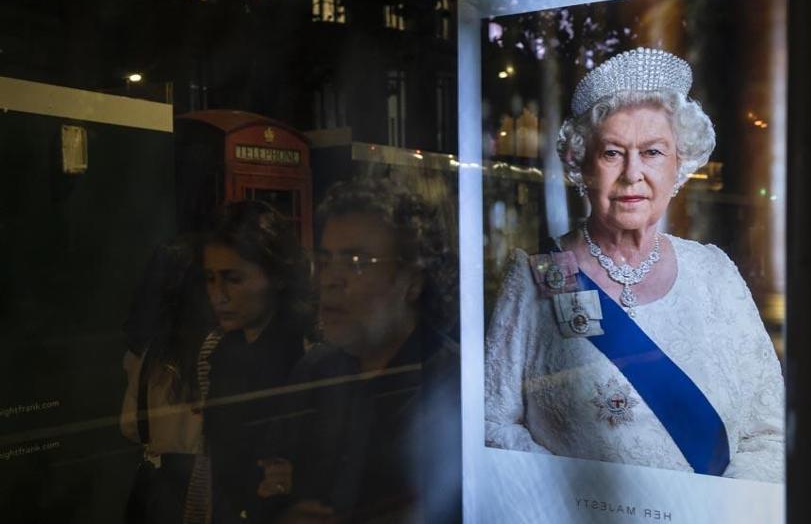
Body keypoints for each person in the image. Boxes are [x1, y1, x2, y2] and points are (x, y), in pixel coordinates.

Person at [484, 48, 784, 483]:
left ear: (679, 165)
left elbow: (769, 431)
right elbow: (492, 422)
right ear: (582, 164)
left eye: (653, 152)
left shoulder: (716, 273)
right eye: (612, 153)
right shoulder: (539, 276)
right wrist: (576, 499)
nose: (632, 174)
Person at [258, 177, 461, 523]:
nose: (330, 280)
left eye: (356, 262)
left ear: (411, 281)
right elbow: (272, 480)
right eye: (325, 261)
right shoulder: (314, 372)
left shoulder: (455, 386)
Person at [201, 200, 313, 524]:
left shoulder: (305, 356)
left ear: (276, 276)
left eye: (233, 279)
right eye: (210, 279)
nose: (218, 295)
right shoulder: (220, 350)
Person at [120, 235, 216, 524]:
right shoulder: (220, 349)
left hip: (157, 485)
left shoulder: (150, 354)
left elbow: (129, 426)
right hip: (204, 484)